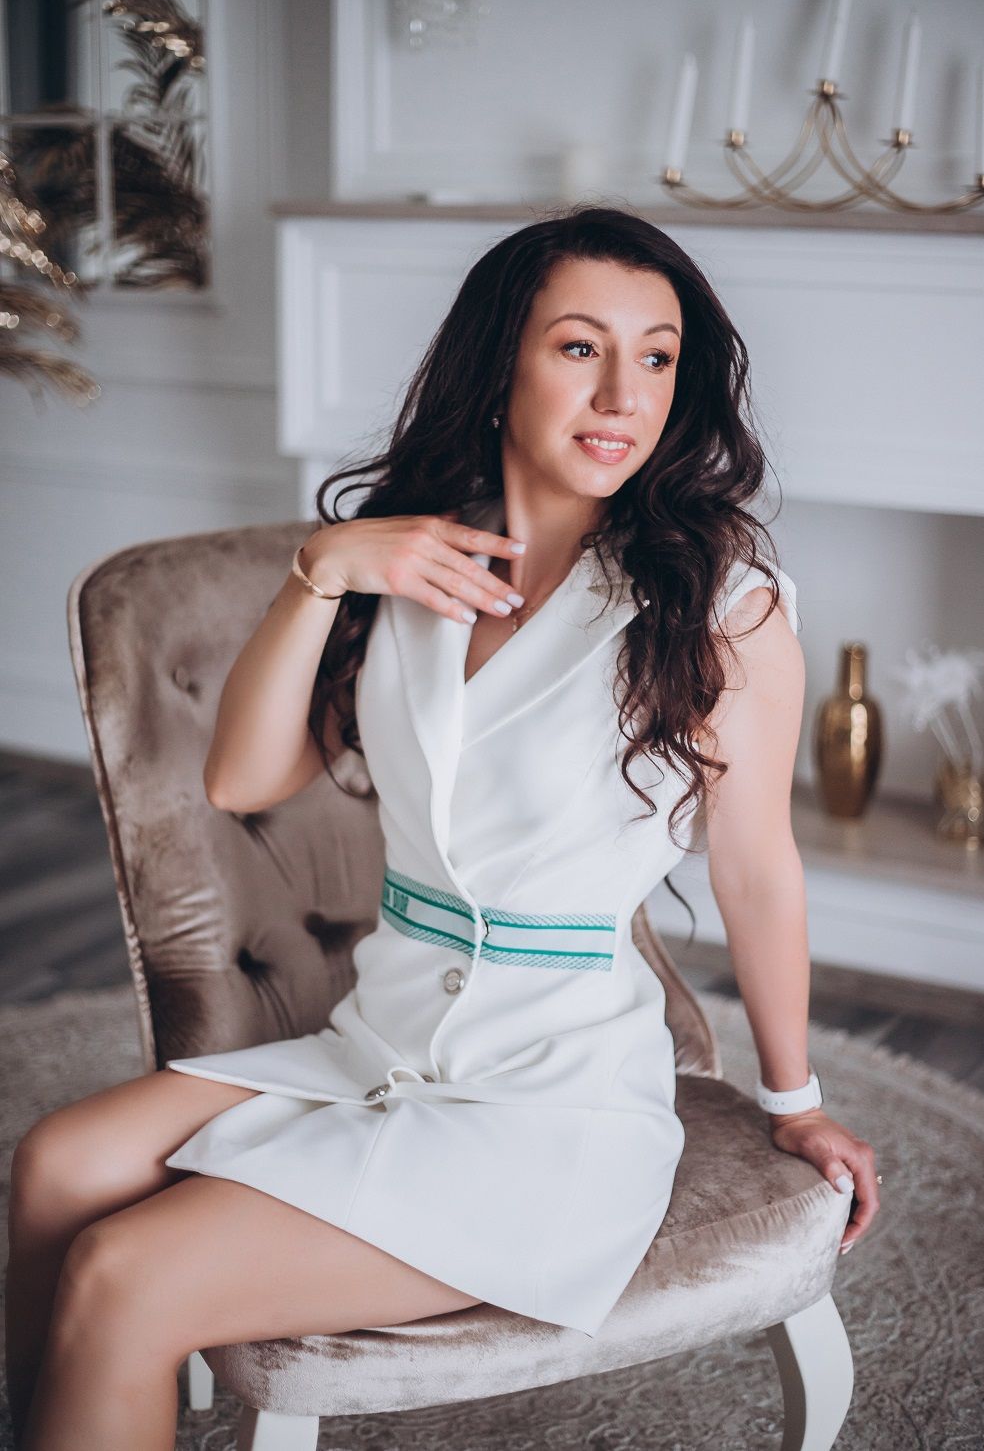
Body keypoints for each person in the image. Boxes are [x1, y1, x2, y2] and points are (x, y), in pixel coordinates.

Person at [7, 204, 880, 1450]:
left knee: (125, 1275)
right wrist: (323, 571)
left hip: (552, 1108)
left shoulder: (718, 607)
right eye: (579, 347)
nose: (622, 394)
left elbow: (755, 869)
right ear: (498, 363)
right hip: (380, 1042)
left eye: (656, 356)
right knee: (56, 1166)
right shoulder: (417, 562)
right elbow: (243, 780)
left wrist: (794, 1101)